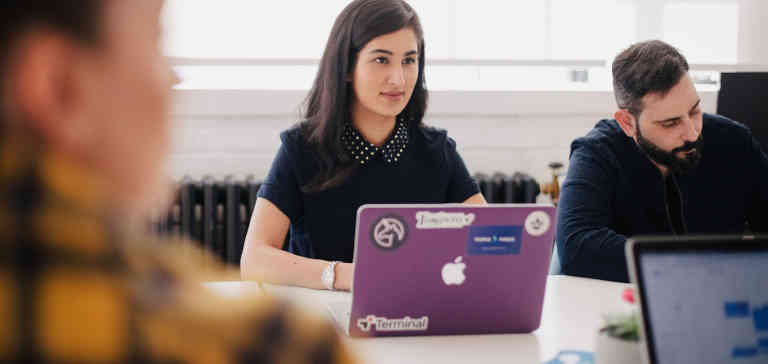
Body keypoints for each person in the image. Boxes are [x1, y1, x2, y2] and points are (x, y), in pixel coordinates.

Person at [0, 1, 355, 362]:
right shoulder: (280, 346)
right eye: (157, 39)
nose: (173, 78)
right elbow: (255, 260)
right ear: (60, 88)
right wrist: (339, 275)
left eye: (410, 59)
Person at [240, 0, 485, 291]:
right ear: (346, 68)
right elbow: (254, 260)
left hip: (415, 316)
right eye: (382, 59)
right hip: (325, 322)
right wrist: (350, 276)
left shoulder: (438, 150)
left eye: (409, 60)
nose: (399, 78)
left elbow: (488, 239)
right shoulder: (301, 149)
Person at [556, 40, 768, 282]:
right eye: (671, 123)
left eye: (694, 111)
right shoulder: (597, 152)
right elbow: (577, 246)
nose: (692, 133)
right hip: (629, 307)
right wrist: (695, 264)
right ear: (627, 122)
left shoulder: (735, 141)